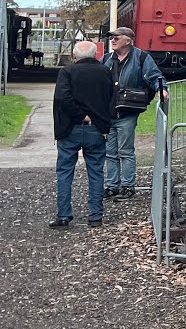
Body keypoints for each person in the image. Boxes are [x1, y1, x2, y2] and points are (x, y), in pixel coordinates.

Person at [50, 40, 115, 228]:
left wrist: (81, 115)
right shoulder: (105, 71)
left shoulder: (67, 72)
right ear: (95, 54)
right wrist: (99, 120)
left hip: (69, 128)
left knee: (64, 172)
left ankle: (63, 216)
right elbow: (111, 97)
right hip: (96, 129)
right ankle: (95, 216)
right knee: (96, 172)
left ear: (74, 55)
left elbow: (62, 97)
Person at [101, 27, 169, 199]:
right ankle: (112, 185)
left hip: (127, 112)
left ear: (128, 40)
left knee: (125, 150)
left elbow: (155, 76)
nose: (113, 40)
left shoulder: (141, 57)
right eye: (111, 38)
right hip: (108, 112)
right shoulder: (106, 59)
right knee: (110, 151)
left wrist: (163, 90)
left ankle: (127, 185)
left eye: (117, 37)